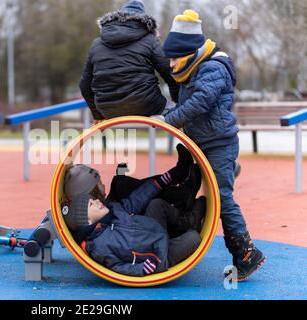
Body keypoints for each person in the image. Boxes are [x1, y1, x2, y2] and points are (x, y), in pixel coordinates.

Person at [161, 10, 265, 281]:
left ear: (188, 53)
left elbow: (201, 102)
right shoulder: (192, 70)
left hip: (219, 143)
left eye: (174, 58)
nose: (171, 65)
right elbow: (187, 103)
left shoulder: (212, 68)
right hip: (203, 144)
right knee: (195, 188)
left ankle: (246, 254)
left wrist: (169, 120)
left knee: (222, 197)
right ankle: (230, 169)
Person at [62, 159, 206, 276]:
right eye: (92, 204)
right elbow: (117, 267)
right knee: (194, 238)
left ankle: (187, 221)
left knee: (156, 205)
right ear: (88, 222)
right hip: (158, 255)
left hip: (155, 229)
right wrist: (142, 269)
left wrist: (162, 180)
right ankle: (189, 225)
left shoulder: (112, 211)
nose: (98, 201)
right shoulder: (99, 246)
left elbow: (136, 200)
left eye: (93, 200)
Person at [79, 0, 179, 122]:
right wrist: (176, 99)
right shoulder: (150, 40)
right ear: (143, 20)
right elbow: (169, 73)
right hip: (147, 106)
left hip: (107, 110)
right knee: (181, 113)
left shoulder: (97, 44)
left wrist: (97, 114)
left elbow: (84, 85)